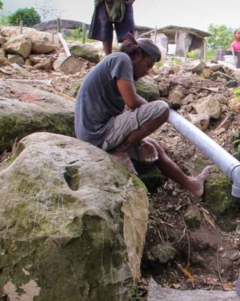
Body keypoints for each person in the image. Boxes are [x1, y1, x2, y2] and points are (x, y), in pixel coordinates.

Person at [75, 35, 210, 197]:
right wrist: (151, 109)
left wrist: (142, 140)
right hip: (98, 134)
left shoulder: (116, 69)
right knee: (162, 108)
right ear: (137, 55)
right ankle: (121, 148)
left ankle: (193, 185)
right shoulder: (122, 59)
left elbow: (125, 117)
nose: (146, 73)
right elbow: (132, 102)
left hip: (98, 133)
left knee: (154, 146)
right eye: (147, 65)